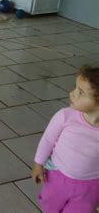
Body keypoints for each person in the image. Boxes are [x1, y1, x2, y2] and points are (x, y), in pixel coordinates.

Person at [31, 66, 99, 212]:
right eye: (75, 88)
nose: (72, 94)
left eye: (80, 92)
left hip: (90, 186)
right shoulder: (65, 116)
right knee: (50, 206)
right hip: (57, 177)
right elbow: (48, 140)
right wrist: (38, 164)